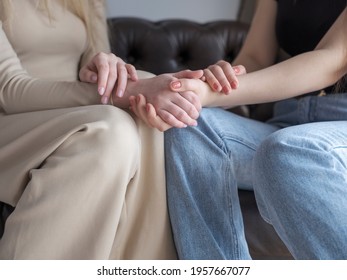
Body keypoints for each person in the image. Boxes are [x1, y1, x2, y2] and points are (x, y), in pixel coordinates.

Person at [131, 0, 347, 259]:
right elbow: (255, 57)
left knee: (289, 152)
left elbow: (333, 60)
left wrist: (207, 94)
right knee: (188, 124)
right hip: (290, 119)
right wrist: (215, 80)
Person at [0, 0, 203, 259]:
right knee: (116, 123)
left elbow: (101, 69)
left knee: (141, 111)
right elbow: (9, 90)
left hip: (70, 114)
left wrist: (108, 72)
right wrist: (131, 91)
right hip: (11, 123)